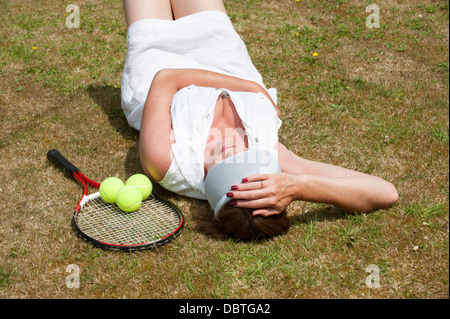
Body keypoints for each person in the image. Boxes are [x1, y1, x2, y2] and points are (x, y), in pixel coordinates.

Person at [120, 0, 399, 240]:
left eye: (222, 168)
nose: (230, 152)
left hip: (157, 59)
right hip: (223, 54)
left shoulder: (165, 161)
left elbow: (168, 79)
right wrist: (300, 187)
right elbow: (385, 192)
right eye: (242, 161)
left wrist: (249, 87)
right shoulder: (266, 157)